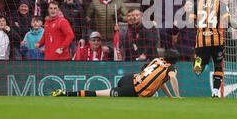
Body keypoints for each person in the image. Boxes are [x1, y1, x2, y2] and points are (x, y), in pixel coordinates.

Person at [52, 49, 181, 98]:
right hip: (132, 90)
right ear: (175, 62)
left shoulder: (157, 60)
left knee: (99, 93)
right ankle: (65, 93)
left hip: (128, 78)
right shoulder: (170, 68)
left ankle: (64, 92)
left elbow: (160, 82)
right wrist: (178, 96)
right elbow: (172, 78)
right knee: (98, 93)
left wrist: (170, 97)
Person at [189, 0, 237, 98]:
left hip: (202, 41)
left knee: (197, 71)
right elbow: (229, 22)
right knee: (218, 66)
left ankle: (199, 62)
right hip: (217, 41)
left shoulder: (197, 4)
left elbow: (189, 21)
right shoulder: (221, 4)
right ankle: (215, 91)